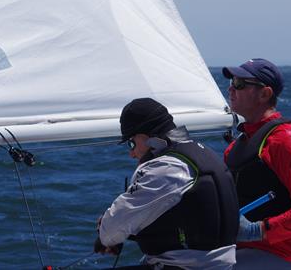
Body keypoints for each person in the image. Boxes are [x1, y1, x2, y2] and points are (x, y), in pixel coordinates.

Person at [95, 98, 238, 269]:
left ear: (144, 137)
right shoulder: (202, 153)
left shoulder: (165, 168)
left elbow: (110, 232)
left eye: (131, 143)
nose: (131, 154)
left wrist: (107, 231)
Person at [223, 58, 291, 270]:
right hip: (246, 251)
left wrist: (258, 230)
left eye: (240, 84)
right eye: (233, 81)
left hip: (285, 255)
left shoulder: (286, 138)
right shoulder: (237, 145)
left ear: (265, 94)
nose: (231, 88)